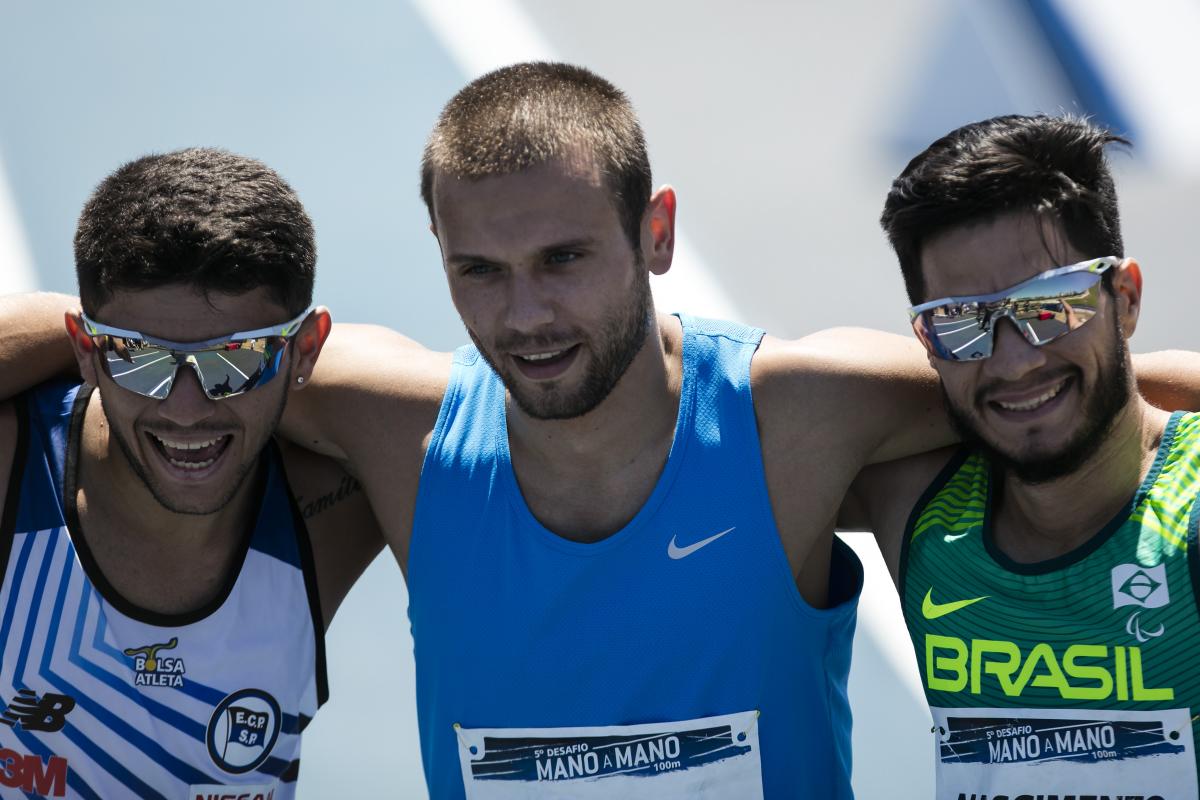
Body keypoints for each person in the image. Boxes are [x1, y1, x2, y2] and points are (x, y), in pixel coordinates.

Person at [3, 70, 1196, 799]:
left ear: (656, 230)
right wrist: (87, 342)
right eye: (481, 269)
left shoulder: (803, 413)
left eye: (566, 259)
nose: (525, 315)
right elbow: (168, 353)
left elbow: (1040, 369)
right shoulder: (392, 427)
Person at [0, 148, 381, 799]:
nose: (186, 410)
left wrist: (134, 347)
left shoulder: (345, 498)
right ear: (84, 350)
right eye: (141, 361)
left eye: (233, 362)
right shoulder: (13, 471)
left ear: (306, 350)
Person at [842, 115, 1200, 798]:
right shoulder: (913, 505)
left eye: (1050, 306)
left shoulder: (1189, 512)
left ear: (1123, 299)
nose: (1014, 363)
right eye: (962, 323)